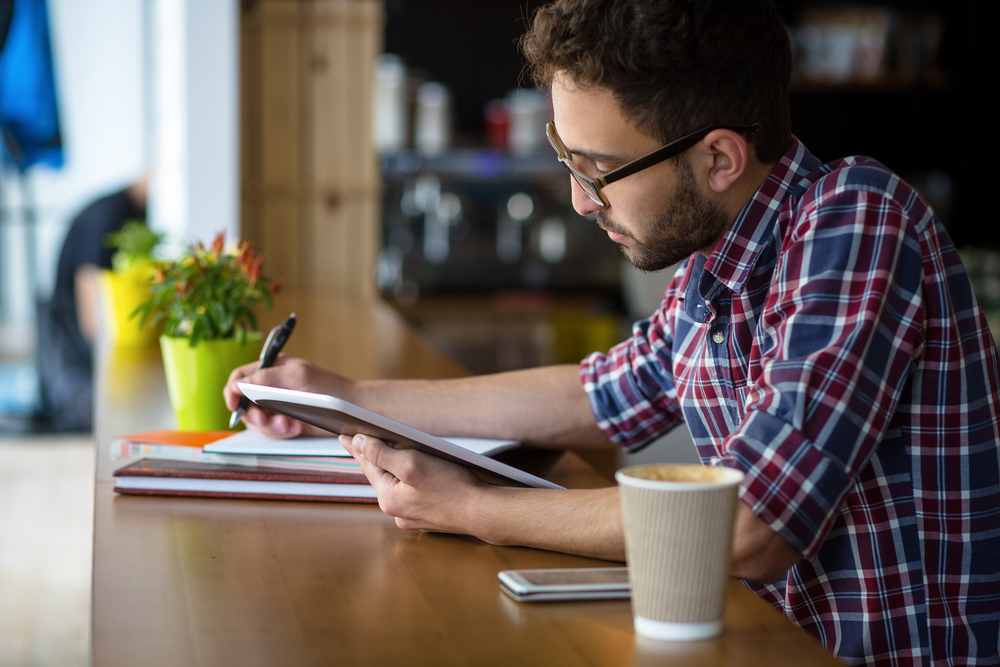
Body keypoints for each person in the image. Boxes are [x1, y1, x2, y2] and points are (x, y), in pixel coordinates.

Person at [224, 1, 1000, 663]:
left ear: (720, 157)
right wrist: (344, 397)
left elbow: (749, 526)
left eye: (597, 167)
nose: (579, 200)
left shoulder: (857, 219)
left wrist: (471, 508)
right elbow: (596, 394)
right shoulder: (712, 266)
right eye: (567, 158)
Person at [36, 179, 147, 431]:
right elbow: (89, 292)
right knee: (99, 411)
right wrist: (108, 362)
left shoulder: (126, 210)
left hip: (72, 321)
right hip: (69, 325)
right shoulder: (112, 213)